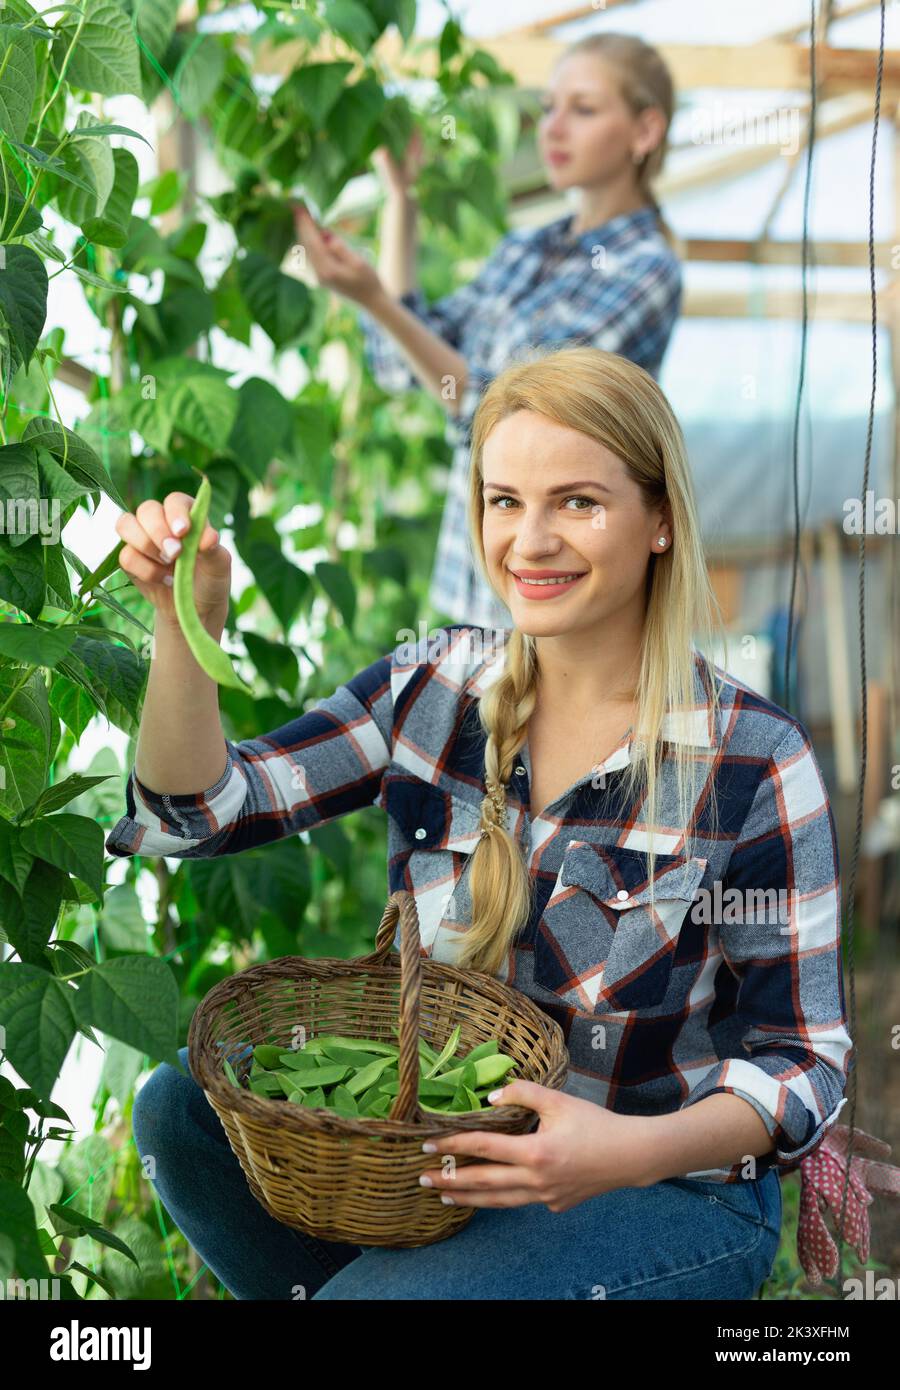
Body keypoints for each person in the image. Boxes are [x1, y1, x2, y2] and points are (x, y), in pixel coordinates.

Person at [107, 345, 851, 1301]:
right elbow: (203, 813)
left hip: (661, 1188)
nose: (529, 542)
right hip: (446, 1165)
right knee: (178, 1111)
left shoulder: (752, 759)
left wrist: (616, 1151)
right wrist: (183, 621)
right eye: (505, 502)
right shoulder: (434, 689)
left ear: (660, 519)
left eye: (576, 502)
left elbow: (804, 1062)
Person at [291, 32, 683, 631]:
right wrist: (403, 200)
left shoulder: (646, 269)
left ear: (645, 131)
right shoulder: (527, 246)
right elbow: (408, 362)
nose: (552, 127)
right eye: (550, 107)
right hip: (474, 586)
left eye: (583, 109)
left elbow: (500, 413)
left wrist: (373, 298)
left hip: (561, 586)